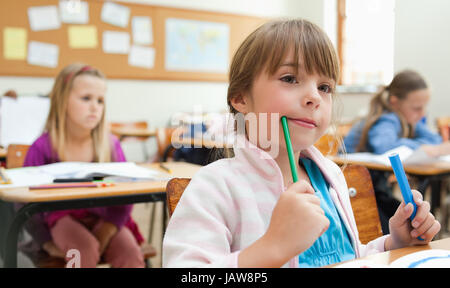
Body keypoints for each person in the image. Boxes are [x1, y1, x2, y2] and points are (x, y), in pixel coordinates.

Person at [162, 19, 441, 268]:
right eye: (289, 78)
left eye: (324, 87)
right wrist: (271, 249)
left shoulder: (330, 178)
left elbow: (344, 258)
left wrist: (393, 244)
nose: (313, 97)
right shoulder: (215, 187)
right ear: (240, 98)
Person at [22, 63, 145, 268]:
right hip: (61, 220)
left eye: (100, 100)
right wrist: (46, 242)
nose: (95, 107)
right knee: (82, 250)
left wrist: (108, 228)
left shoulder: (111, 146)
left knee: (130, 254)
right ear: (62, 101)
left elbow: (127, 196)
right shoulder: (42, 147)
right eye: (86, 98)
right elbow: (25, 204)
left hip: (107, 218)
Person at [343, 70, 450, 233]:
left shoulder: (407, 119)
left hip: (375, 189)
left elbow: (434, 140)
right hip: (351, 193)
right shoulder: (386, 118)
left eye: (424, 107)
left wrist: (424, 144)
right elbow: (385, 146)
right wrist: (422, 147)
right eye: (417, 108)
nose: (422, 113)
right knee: (403, 227)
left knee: (408, 223)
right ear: (395, 102)